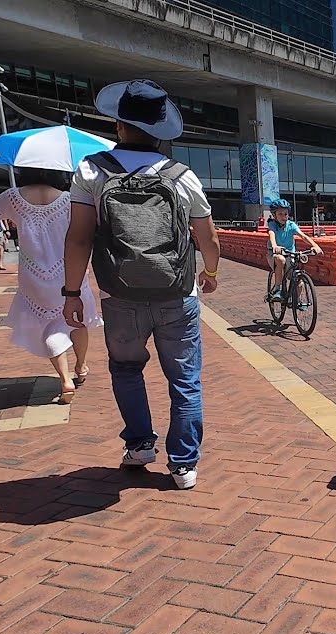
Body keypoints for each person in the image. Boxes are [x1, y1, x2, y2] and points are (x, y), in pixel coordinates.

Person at [62, 78, 221, 492]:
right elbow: (209, 240)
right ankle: (183, 464)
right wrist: (211, 272)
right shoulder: (182, 177)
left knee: (127, 370)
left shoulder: (91, 170)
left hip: (120, 295)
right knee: (185, 381)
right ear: (161, 129)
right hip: (177, 295)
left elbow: (78, 237)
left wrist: (71, 293)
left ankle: (139, 445)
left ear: (119, 125)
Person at [0, 162, 102, 405]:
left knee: (48, 325)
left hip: (33, 275)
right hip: (70, 271)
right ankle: (81, 365)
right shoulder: (70, 198)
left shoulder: (14, 197)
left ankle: (64, 378)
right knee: (77, 321)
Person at [265, 198, 322, 300]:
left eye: (285, 214)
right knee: (280, 260)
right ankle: (278, 289)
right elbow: (271, 234)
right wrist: (274, 246)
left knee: (299, 282)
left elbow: (303, 236)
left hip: (289, 254)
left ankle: (294, 301)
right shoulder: (272, 224)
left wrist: (315, 245)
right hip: (275, 254)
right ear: (274, 215)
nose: (284, 217)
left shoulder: (291, 225)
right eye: (280, 214)